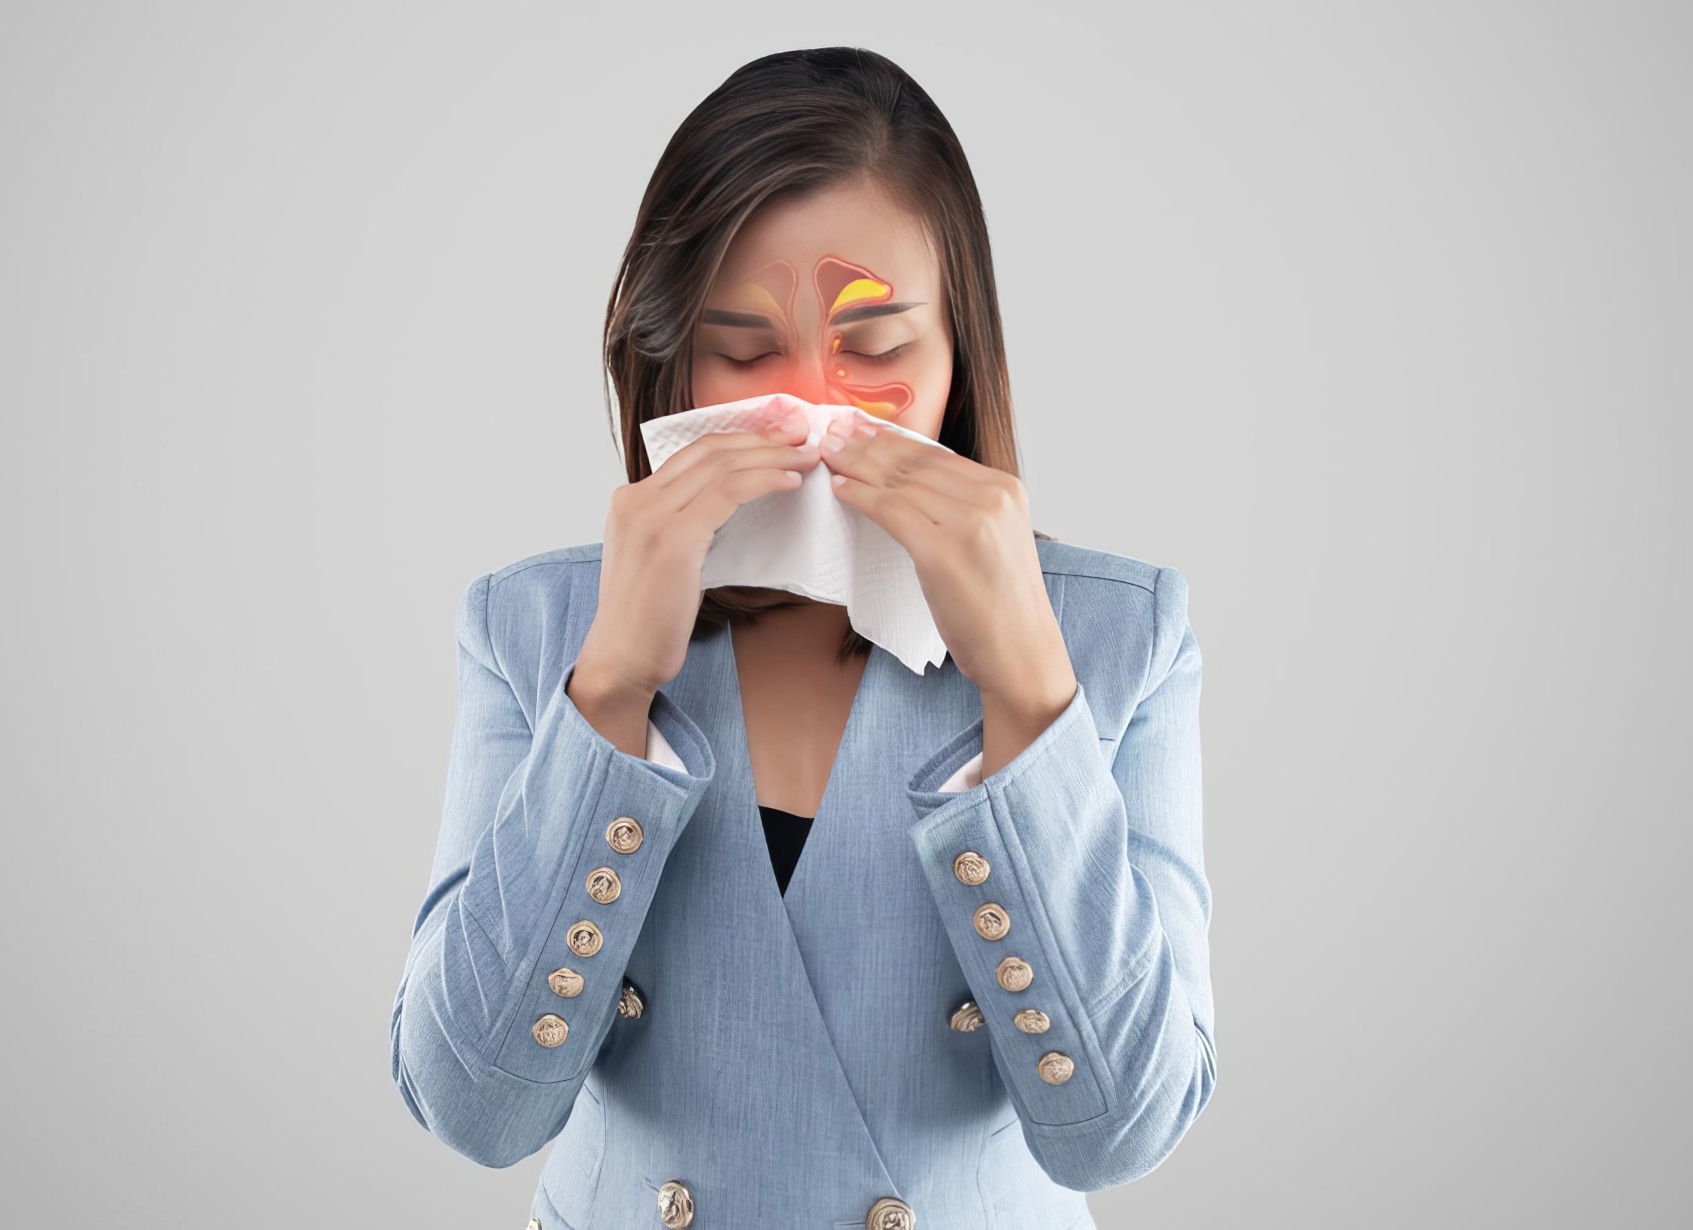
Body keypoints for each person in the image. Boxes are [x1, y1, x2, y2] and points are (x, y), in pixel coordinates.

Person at [389, 46, 1216, 1230]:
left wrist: (1032, 693)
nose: (814, 407)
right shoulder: (533, 626)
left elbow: (1126, 1130)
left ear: (959, 353)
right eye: (742, 349)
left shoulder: (1118, 632)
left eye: (875, 352)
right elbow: (471, 1109)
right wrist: (609, 688)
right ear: (671, 360)